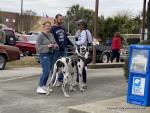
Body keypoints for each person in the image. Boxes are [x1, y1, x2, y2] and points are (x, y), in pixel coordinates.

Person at [36, 21, 58, 94]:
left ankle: (43, 86)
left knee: (48, 71)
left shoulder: (51, 34)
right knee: (46, 71)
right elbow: (37, 47)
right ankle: (39, 87)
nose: (48, 27)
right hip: (44, 55)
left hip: (51, 54)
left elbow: (55, 42)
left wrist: (55, 45)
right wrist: (47, 46)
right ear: (43, 27)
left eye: (49, 26)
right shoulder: (40, 35)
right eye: (46, 26)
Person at [50, 14, 67, 84]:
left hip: (63, 50)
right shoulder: (52, 29)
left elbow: (65, 38)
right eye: (60, 19)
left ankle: (60, 80)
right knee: (54, 65)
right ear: (56, 19)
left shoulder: (63, 28)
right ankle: (53, 80)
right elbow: (50, 39)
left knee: (64, 65)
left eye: (62, 19)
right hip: (56, 50)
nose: (61, 21)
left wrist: (67, 46)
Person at [75, 19, 93, 87]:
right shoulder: (84, 31)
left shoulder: (84, 32)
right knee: (79, 66)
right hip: (82, 50)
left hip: (82, 51)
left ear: (83, 25)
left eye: (79, 24)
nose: (78, 26)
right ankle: (77, 80)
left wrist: (76, 43)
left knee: (81, 66)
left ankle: (84, 82)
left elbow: (82, 42)